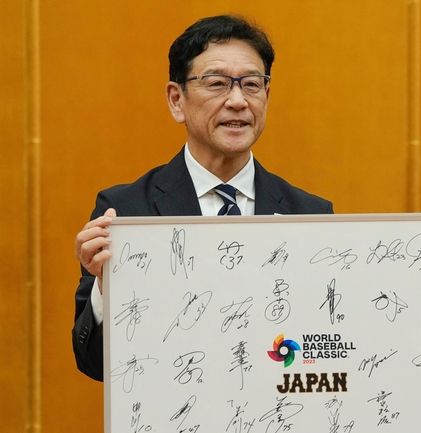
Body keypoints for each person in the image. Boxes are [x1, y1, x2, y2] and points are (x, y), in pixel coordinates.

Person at [72, 15, 332, 381]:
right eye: (217, 84)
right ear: (177, 100)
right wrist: (104, 286)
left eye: (252, 85)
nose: (238, 101)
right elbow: (94, 364)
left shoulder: (310, 214)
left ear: (267, 96)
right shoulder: (129, 214)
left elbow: (322, 348)